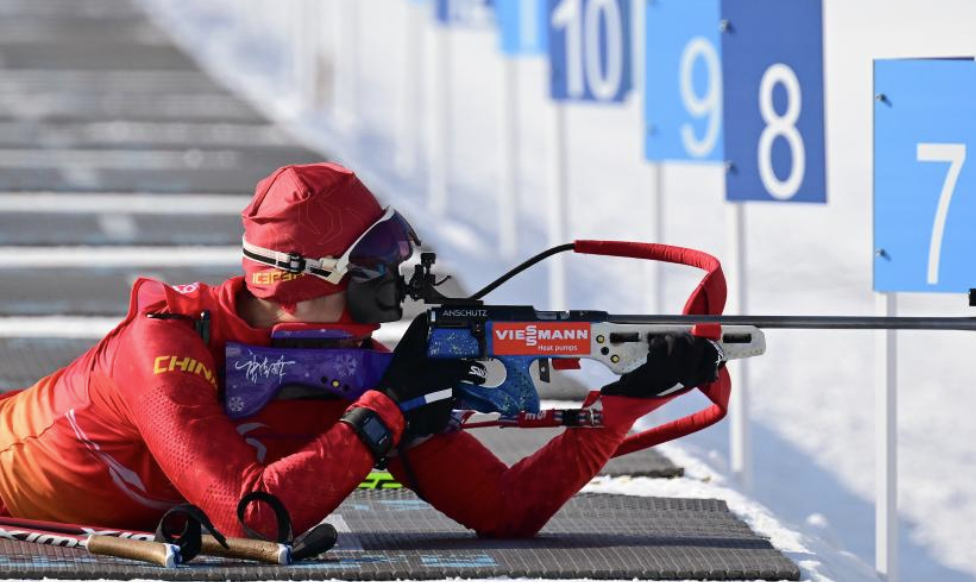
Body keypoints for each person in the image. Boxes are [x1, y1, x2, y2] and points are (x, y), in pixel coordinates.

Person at [0, 163, 720, 539]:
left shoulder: (362, 369)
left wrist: (623, 401)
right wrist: (383, 413)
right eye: (379, 254)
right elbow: (254, 516)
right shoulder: (163, 347)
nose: (401, 272)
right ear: (309, 278)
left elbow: (507, 510)